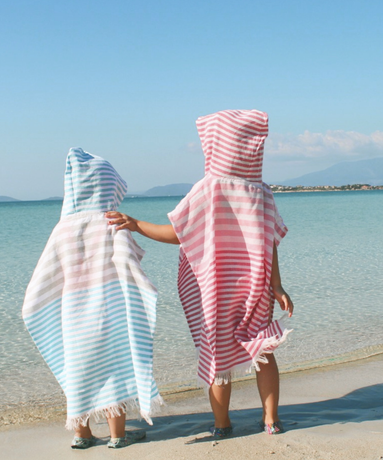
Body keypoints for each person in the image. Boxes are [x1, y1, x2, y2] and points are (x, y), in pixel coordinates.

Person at [107, 109, 294, 437]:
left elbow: (178, 233)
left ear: (216, 145)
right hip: (256, 285)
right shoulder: (261, 191)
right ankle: (271, 420)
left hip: (215, 287)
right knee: (263, 350)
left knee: (217, 356)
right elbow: (270, 241)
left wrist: (135, 225)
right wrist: (276, 285)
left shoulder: (208, 188)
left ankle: (222, 425)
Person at [22, 148, 163, 449]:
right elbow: (128, 259)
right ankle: (117, 435)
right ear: (105, 187)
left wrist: (37, 307)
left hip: (72, 317)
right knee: (114, 367)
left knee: (78, 371)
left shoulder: (62, 229)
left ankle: (82, 434)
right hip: (108, 310)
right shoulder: (110, 222)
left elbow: (46, 276)